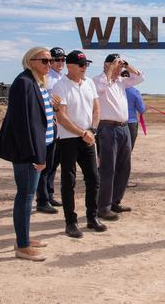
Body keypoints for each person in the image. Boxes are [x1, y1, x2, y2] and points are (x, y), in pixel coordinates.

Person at [0, 47, 54, 261]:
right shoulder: (24, 82)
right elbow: (23, 124)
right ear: (31, 61)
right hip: (28, 152)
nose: (50, 64)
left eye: (51, 60)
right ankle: (22, 246)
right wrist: (36, 155)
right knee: (26, 196)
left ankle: (25, 237)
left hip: (38, 147)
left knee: (27, 196)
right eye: (45, 60)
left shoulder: (36, 81)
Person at [53, 50, 106, 237]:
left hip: (89, 137)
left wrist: (92, 130)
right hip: (69, 139)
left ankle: (92, 218)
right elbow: (61, 116)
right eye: (82, 65)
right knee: (69, 181)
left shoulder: (89, 83)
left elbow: (97, 108)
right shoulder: (61, 86)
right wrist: (82, 132)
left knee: (94, 178)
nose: (85, 68)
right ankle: (71, 222)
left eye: (87, 64)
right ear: (70, 65)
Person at [93, 54, 144, 221]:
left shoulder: (122, 82)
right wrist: (110, 69)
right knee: (108, 169)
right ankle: (103, 207)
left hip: (123, 128)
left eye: (119, 66)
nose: (118, 69)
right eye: (115, 65)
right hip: (107, 128)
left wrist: (127, 65)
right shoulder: (98, 80)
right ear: (106, 65)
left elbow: (139, 77)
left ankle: (115, 201)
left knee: (124, 167)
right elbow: (101, 88)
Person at [35, 46, 66, 214]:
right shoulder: (47, 78)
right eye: (57, 59)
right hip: (50, 124)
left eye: (63, 60)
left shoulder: (61, 78)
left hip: (61, 125)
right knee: (46, 163)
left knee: (54, 162)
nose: (61, 62)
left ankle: (49, 194)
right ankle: (42, 199)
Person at [122, 70, 147, 187]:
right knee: (126, 153)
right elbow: (141, 109)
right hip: (131, 124)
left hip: (117, 124)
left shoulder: (116, 89)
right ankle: (123, 180)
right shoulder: (135, 92)